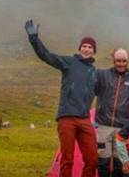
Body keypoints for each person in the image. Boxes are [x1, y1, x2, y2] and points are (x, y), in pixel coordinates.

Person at [25, 19, 98, 177]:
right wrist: (34, 39)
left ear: (93, 51)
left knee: (92, 159)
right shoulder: (69, 62)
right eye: (84, 46)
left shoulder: (94, 72)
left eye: (90, 47)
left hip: (85, 119)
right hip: (67, 118)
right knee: (67, 159)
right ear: (80, 49)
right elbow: (46, 56)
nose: (86, 49)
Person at [95, 48, 129, 177]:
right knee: (103, 160)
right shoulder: (102, 75)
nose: (121, 64)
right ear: (113, 60)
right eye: (118, 60)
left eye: (124, 61)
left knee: (119, 161)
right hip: (103, 126)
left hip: (122, 129)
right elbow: (90, 89)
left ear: (128, 61)